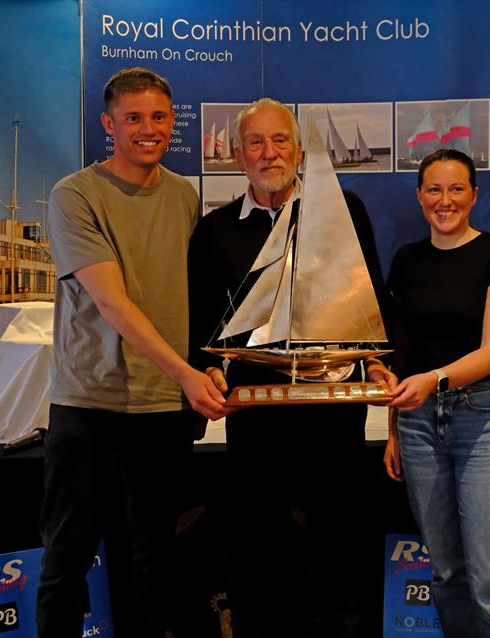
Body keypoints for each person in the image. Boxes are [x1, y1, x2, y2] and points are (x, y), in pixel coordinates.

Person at [188, 98, 394, 638]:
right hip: (256, 415)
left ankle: (340, 624)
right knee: (256, 538)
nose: (269, 152)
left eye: (280, 140)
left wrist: (373, 362)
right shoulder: (214, 232)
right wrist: (205, 371)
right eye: (255, 143)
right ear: (238, 157)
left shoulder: (343, 210)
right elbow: (203, 325)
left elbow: (369, 299)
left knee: (338, 535)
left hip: (333, 412)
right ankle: (259, 624)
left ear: (299, 150)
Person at [37, 67, 230, 638]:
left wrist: (207, 365)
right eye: (134, 118)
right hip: (89, 404)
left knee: (150, 557)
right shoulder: (74, 195)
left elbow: (191, 295)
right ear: (109, 124)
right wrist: (187, 375)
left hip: (161, 409)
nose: (148, 129)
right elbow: (113, 304)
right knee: (67, 554)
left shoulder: (184, 196)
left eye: (159, 117)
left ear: (173, 121)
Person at [383, 148, 490, 637]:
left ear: (474, 195)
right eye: (433, 189)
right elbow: (400, 357)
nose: (444, 200)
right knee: (446, 573)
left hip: (484, 420)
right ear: (419, 196)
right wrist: (394, 431)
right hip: (418, 424)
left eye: (455, 189)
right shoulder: (406, 260)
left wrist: (433, 380)